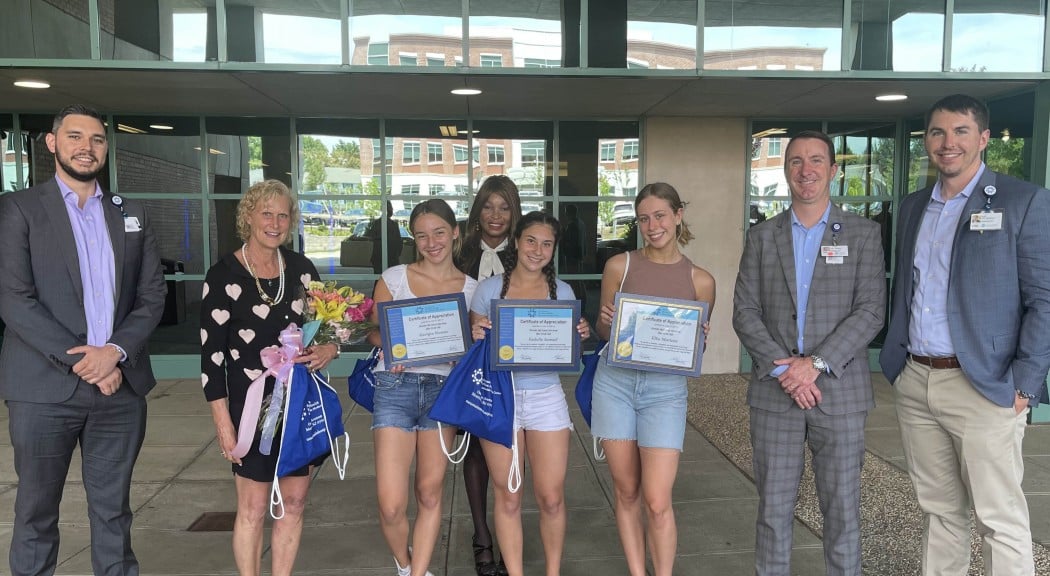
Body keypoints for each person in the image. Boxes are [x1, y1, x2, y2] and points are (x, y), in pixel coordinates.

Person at [879, 94, 1050, 576]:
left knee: (999, 518)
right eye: (937, 132)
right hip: (916, 379)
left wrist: (1025, 385)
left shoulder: (1023, 201)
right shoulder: (915, 206)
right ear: (926, 141)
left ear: (983, 139)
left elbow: (1045, 298)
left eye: (960, 132)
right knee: (939, 512)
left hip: (986, 385)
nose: (947, 142)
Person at [0, 104, 167, 576]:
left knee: (113, 512)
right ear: (52, 143)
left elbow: (151, 296)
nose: (85, 148)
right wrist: (86, 362)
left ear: (106, 148)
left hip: (120, 389)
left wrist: (113, 353)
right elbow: (14, 299)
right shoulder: (19, 210)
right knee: (36, 513)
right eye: (74, 137)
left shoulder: (130, 213)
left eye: (96, 139)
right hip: (43, 391)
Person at [732, 130, 885, 576]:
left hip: (839, 394)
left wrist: (814, 365)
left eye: (816, 160)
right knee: (773, 511)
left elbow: (871, 311)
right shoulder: (762, 237)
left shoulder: (863, 233)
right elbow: (744, 311)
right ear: (785, 171)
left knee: (841, 512)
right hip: (776, 394)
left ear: (833, 171)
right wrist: (788, 371)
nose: (806, 170)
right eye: (796, 161)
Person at [200, 179, 339, 576]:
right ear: (248, 216)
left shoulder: (301, 270)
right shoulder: (223, 275)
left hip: (298, 404)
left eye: (283, 214)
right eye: (266, 213)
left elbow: (325, 327)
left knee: (294, 503)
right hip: (250, 411)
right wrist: (224, 425)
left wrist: (330, 348)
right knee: (253, 508)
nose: (274, 222)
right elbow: (211, 361)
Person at [591, 183, 716, 576]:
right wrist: (606, 322)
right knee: (627, 491)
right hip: (615, 383)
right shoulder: (620, 266)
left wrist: (699, 339)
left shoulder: (701, 280)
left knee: (658, 499)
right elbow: (601, 331)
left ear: (678, 214)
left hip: (665, 392)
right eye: (643, 218)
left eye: (660, 215)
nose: (652, 225)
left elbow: (691, 353)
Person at [469, 211, 591, 576]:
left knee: (551, 497)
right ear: (517, 242)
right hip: (499, 396)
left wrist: (579, 335)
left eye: (547, 244)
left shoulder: (563, 291)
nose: (538, 250)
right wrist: (476, 335)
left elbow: (571, 352)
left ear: (554, 250)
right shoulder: (490, 288)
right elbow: (472, 343)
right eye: (531, 241)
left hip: (545, 396)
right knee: (508, 495)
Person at [370, 198, 479, 576]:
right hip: (394, 385)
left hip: (442, 392)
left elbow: (474, 346)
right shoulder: (393, 278)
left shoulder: (471, 289)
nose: (431, 242)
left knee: (430, 492)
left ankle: (419, 574)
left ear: (455, 233)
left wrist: (462, 351)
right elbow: (372, 331)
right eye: (421, 236)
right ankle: (404, 563)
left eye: (439, 233)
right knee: (390, 503)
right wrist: (388, 342)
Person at [455, 175, 522, 576]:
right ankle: (482, 537)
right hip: (467, 366)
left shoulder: (529, 251)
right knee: (477, 450)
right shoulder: (460, 253)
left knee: (508, 453)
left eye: (505, 207)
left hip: (515, 368)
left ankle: (507, 529)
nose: (496, 215)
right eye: (488, 206)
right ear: (478, 210)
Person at [368, 201, 404, 273]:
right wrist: (397, 254)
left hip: (379, 256)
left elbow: (371, 238)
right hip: (392, 257)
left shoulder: (376, 223)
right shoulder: (393, 225)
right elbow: (399, 242)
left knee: (378, 279)